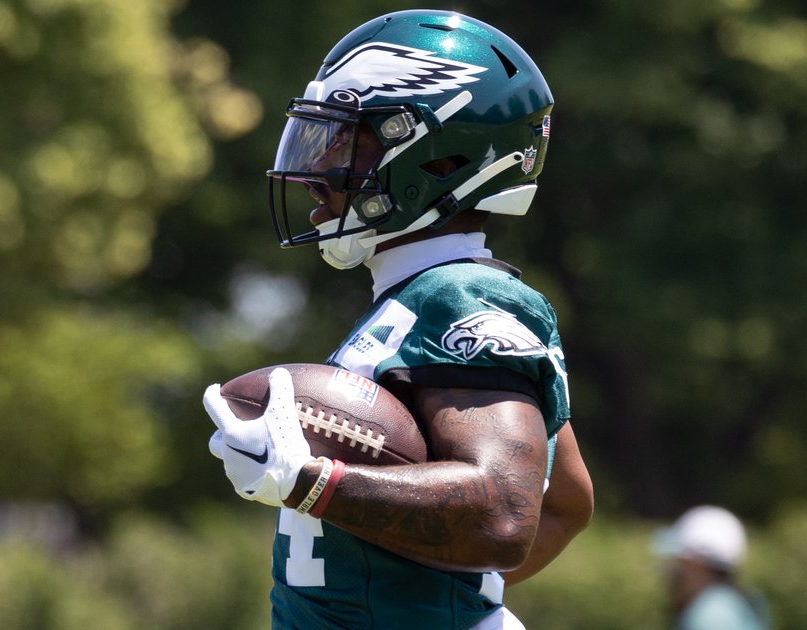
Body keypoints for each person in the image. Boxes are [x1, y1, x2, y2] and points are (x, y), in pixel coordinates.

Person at [203, 9, 593, 629]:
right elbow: (565, 502)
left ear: (436, 160)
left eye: (346, 138)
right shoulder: (419, 297)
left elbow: (505, 515)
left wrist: (310, 481)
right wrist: (434, 586)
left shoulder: (461, 296)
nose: (316, 170)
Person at [654, 505, 770, 630]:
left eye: (678, 560)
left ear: (696, 564)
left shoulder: (709, 618)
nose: (671, 569)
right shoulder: (743, 601)